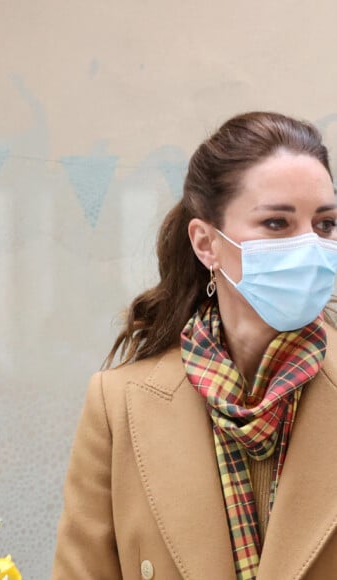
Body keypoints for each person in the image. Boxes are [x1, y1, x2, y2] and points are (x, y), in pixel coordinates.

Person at [52, 111, 337, 580]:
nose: (310, 247)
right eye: (277, 223)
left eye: (324, 224)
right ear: (206, 243)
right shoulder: (118, 406)